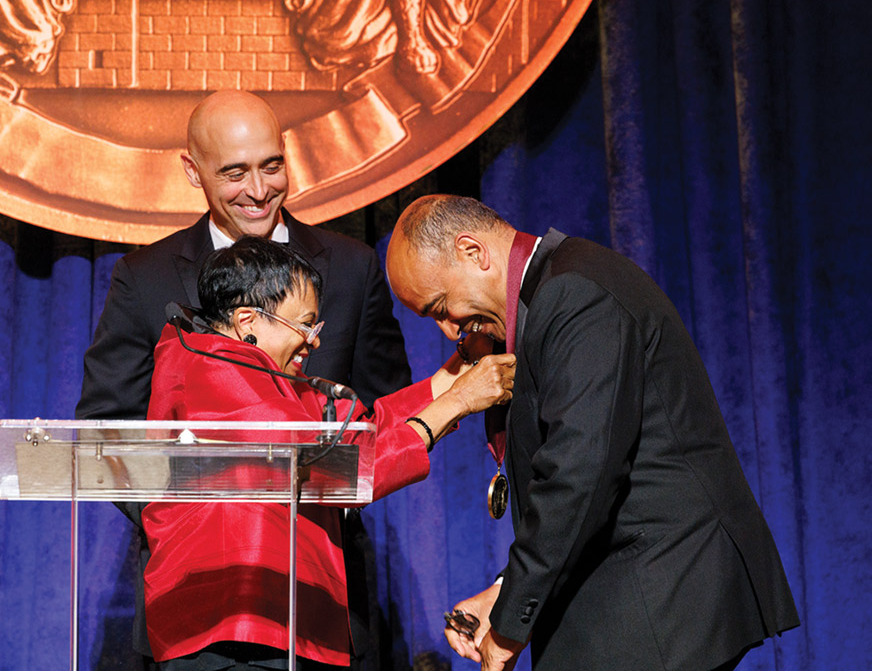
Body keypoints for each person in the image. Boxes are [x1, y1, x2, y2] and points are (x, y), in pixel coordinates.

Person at [384, 194, 800, 671]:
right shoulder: (556, 290)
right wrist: (506, 591)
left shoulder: (574, 293)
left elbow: (580, 475)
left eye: (440, 307)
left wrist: (508, 625)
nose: (449, 331)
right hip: (643, 595)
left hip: (661, 601)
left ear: (473, 252)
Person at [75, 90, 414, 667]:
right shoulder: (145, 277)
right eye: (234, 172)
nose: (258, 190)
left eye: (271, 165)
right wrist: (183, 515)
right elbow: (107, 426)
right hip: (194, 597)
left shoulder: (352, 267)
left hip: (320, 595)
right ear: (193, 171)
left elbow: (383, 407)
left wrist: (333, 489)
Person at [142, 236, 516, 668]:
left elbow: (363, 434)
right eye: (305, 326)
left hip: (282, 624)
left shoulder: (266, 379)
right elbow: (338, 470)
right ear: (248, 319)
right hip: (236, 625)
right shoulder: (212, 369)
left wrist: (459, 375)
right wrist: (457, 402)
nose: (314, 343)